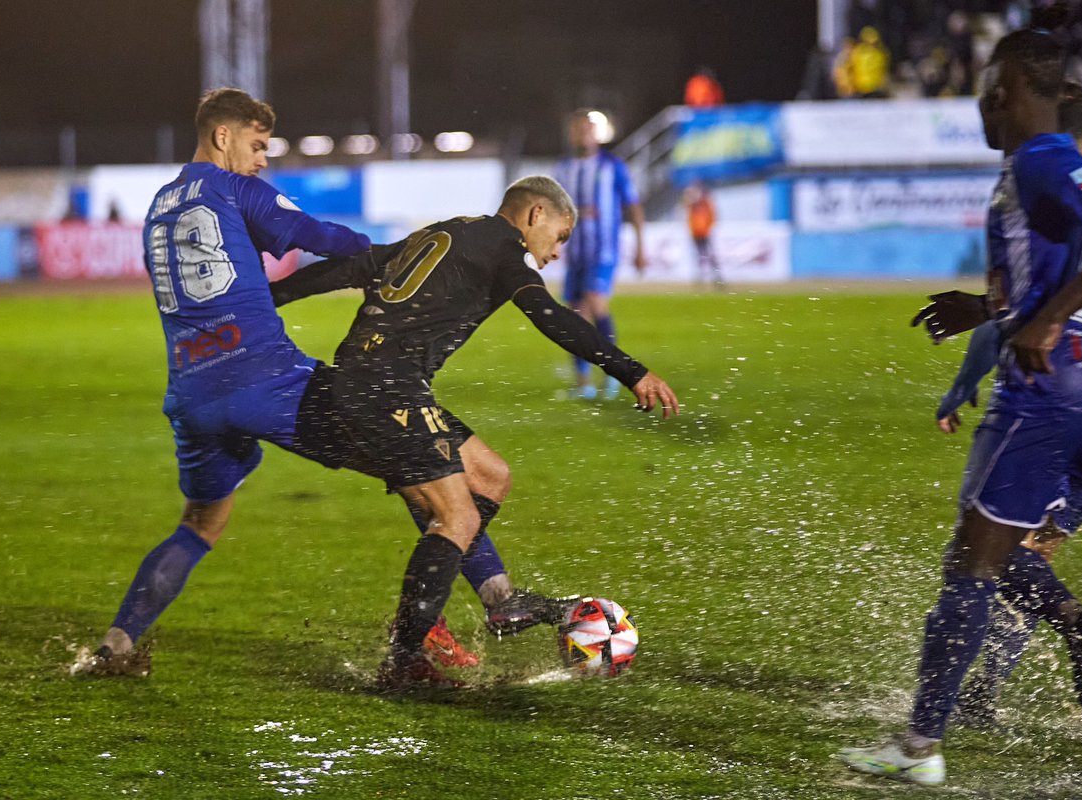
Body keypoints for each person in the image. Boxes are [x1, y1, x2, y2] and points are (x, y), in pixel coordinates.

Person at [839, 26, 1082, 786]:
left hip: (1048, 393)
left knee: (970, 569)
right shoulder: (1030, 165)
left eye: (986, 89)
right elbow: (1050, 260)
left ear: (1006, 93)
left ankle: (918, 750)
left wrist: (1043, 321)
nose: (979, 103)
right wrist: (988, 306)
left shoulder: (1043, 157)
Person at [267, 175, 679, 688]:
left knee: (489, 476)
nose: (556, 252)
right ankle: (404, 659)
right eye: (561, 236)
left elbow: (352, 267)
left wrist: (267, 299)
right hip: (384, 390)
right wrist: (630, 371)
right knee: (456, 516)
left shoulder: (444, 233)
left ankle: (498, 602)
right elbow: (548, 315)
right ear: (535, 215)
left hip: (373, 382)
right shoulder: (507, 250)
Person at [71, 87, 374, 677]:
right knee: (413, 462)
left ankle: (115, 645)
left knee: (201, 522)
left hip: (191, 391)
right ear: (223, 136)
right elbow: (319, 237)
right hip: (263, 375)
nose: (264, 159)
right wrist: (387, 254)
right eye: (258, 146)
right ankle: (461, 615)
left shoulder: (160, 205)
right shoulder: (233, 187)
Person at [929, 82, 1082, 726]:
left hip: (1065, 403)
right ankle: (995, 684)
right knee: (1022, 551)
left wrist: (964, 377)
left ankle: (1064, 632)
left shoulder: (1063, 206)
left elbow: (1041, 312)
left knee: (996, 551)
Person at [554, 110, 648, 401]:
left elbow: (633, 205)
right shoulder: (564, 169)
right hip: (576, 253)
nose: (583, 134)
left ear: (596, 134)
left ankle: (614, 375)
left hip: (603, 250)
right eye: (578, 129)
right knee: (574, 316)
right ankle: (584, 384)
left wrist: (641, 245)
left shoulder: (612, 166)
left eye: (588, 129)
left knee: (596, 302)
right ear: (572, 134)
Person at [683, 181, 722, 288]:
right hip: (696, 234)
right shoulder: (692, 205)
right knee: (699, 257)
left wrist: (708, 228)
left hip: (705, 233)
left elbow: (712, 217)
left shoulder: (706, 203)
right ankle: (700, 279)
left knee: (710, 256)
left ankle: (717, 278)